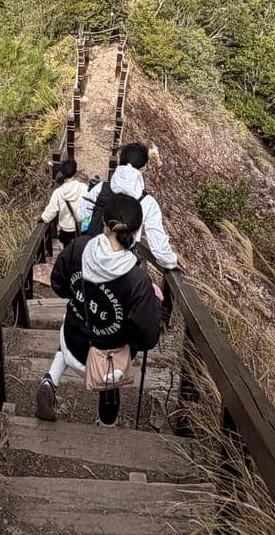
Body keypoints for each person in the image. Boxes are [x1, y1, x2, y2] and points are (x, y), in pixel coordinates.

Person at [36, 192, 162, 427]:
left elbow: (59, 284)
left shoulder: (79, 247)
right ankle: (105, 428)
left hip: (72, 343)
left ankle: (49, 381)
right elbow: (148, 337)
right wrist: (151, 301)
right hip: (107, 364)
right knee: (112, 383)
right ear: (135, 232)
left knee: (73, 320)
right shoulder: (137, 280)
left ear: (103, 223)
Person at [77, 142, 179, 271]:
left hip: (91, 255)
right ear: (143, 168)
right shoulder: (147, 202)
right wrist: (171, 263)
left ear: (120, 162)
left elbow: (80, 214)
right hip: (119, 265)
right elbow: (158, 246)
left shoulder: (101, 188)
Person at [40, 157, 85, 248]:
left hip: (66, 230)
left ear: (62, 173)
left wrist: (43, 218)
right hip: (81, 227)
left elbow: (51, 210)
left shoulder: (58, 192)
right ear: (75, 172)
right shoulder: (83, 188)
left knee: (67, 251)